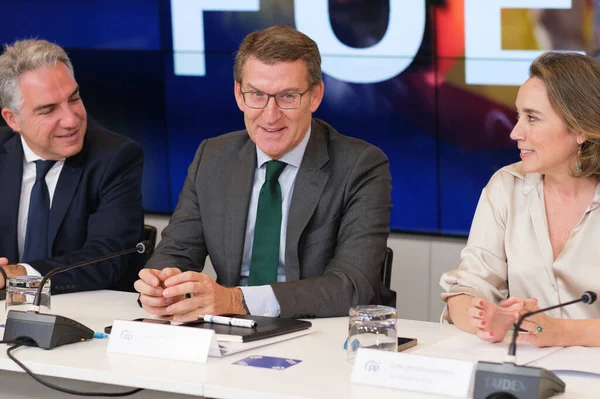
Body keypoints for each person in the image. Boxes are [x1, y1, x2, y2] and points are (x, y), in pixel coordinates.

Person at [135, 25, 393, 320]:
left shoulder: (361, 165)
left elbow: (351, 287)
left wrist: (236, 299)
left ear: (315, 95)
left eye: (287, 96)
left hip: (317, 334)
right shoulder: (213, 156)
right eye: (257, 94)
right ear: (238, 94)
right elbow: (177, 252)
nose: (270, 116)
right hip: (227, 331)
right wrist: (161, 286)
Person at [440, 51, 600, 347]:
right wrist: (485, 317)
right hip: (527, 369)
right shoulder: (505, 187)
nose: (515, 132)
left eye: (532, 118)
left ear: (580, 128)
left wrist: (560, 331)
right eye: (518, 116)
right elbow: (465, 290)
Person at [0, 39, 144, 293]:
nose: (70, 119)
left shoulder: (115, 157)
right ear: (13, 119)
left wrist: (17, 273)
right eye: (48, 110)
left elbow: (107, 259)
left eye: (74, 99)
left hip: (85, 311)